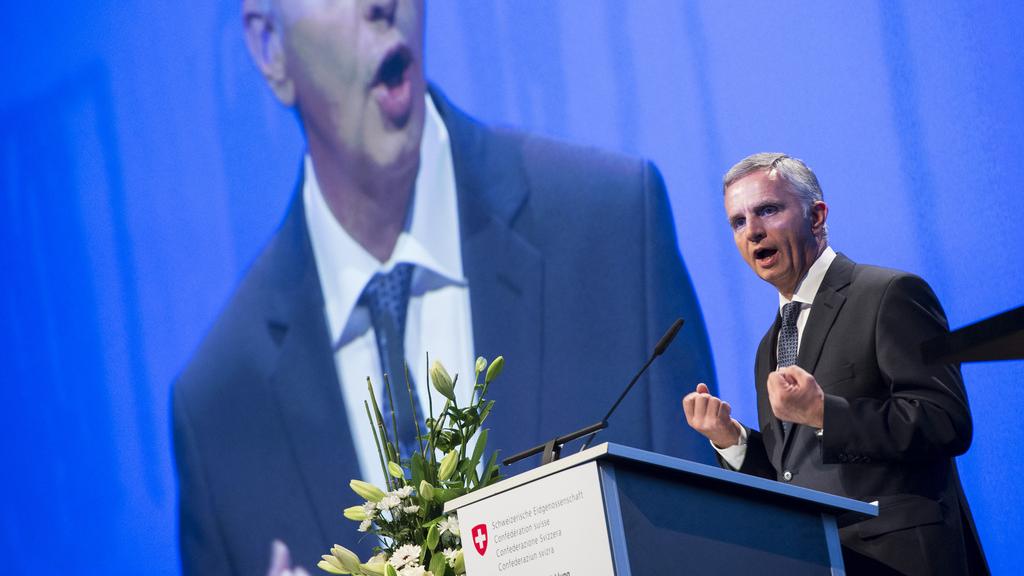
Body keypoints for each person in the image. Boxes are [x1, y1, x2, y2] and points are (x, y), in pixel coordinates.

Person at [172, 1, 717, 574]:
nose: (381, 4)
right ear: (269, 48)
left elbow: (712, 547)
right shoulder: (217, 415)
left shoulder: (612, 230)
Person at [682, 152, 987, 574]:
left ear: (817, 216)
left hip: (904, 559)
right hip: (820, 561)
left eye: (767, 210)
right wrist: (732, 440)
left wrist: (824, 413)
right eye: (737, 221)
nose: (752, 231)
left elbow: (945, 420)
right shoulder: (768, 346)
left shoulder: (889, 294)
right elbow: (791, 476)